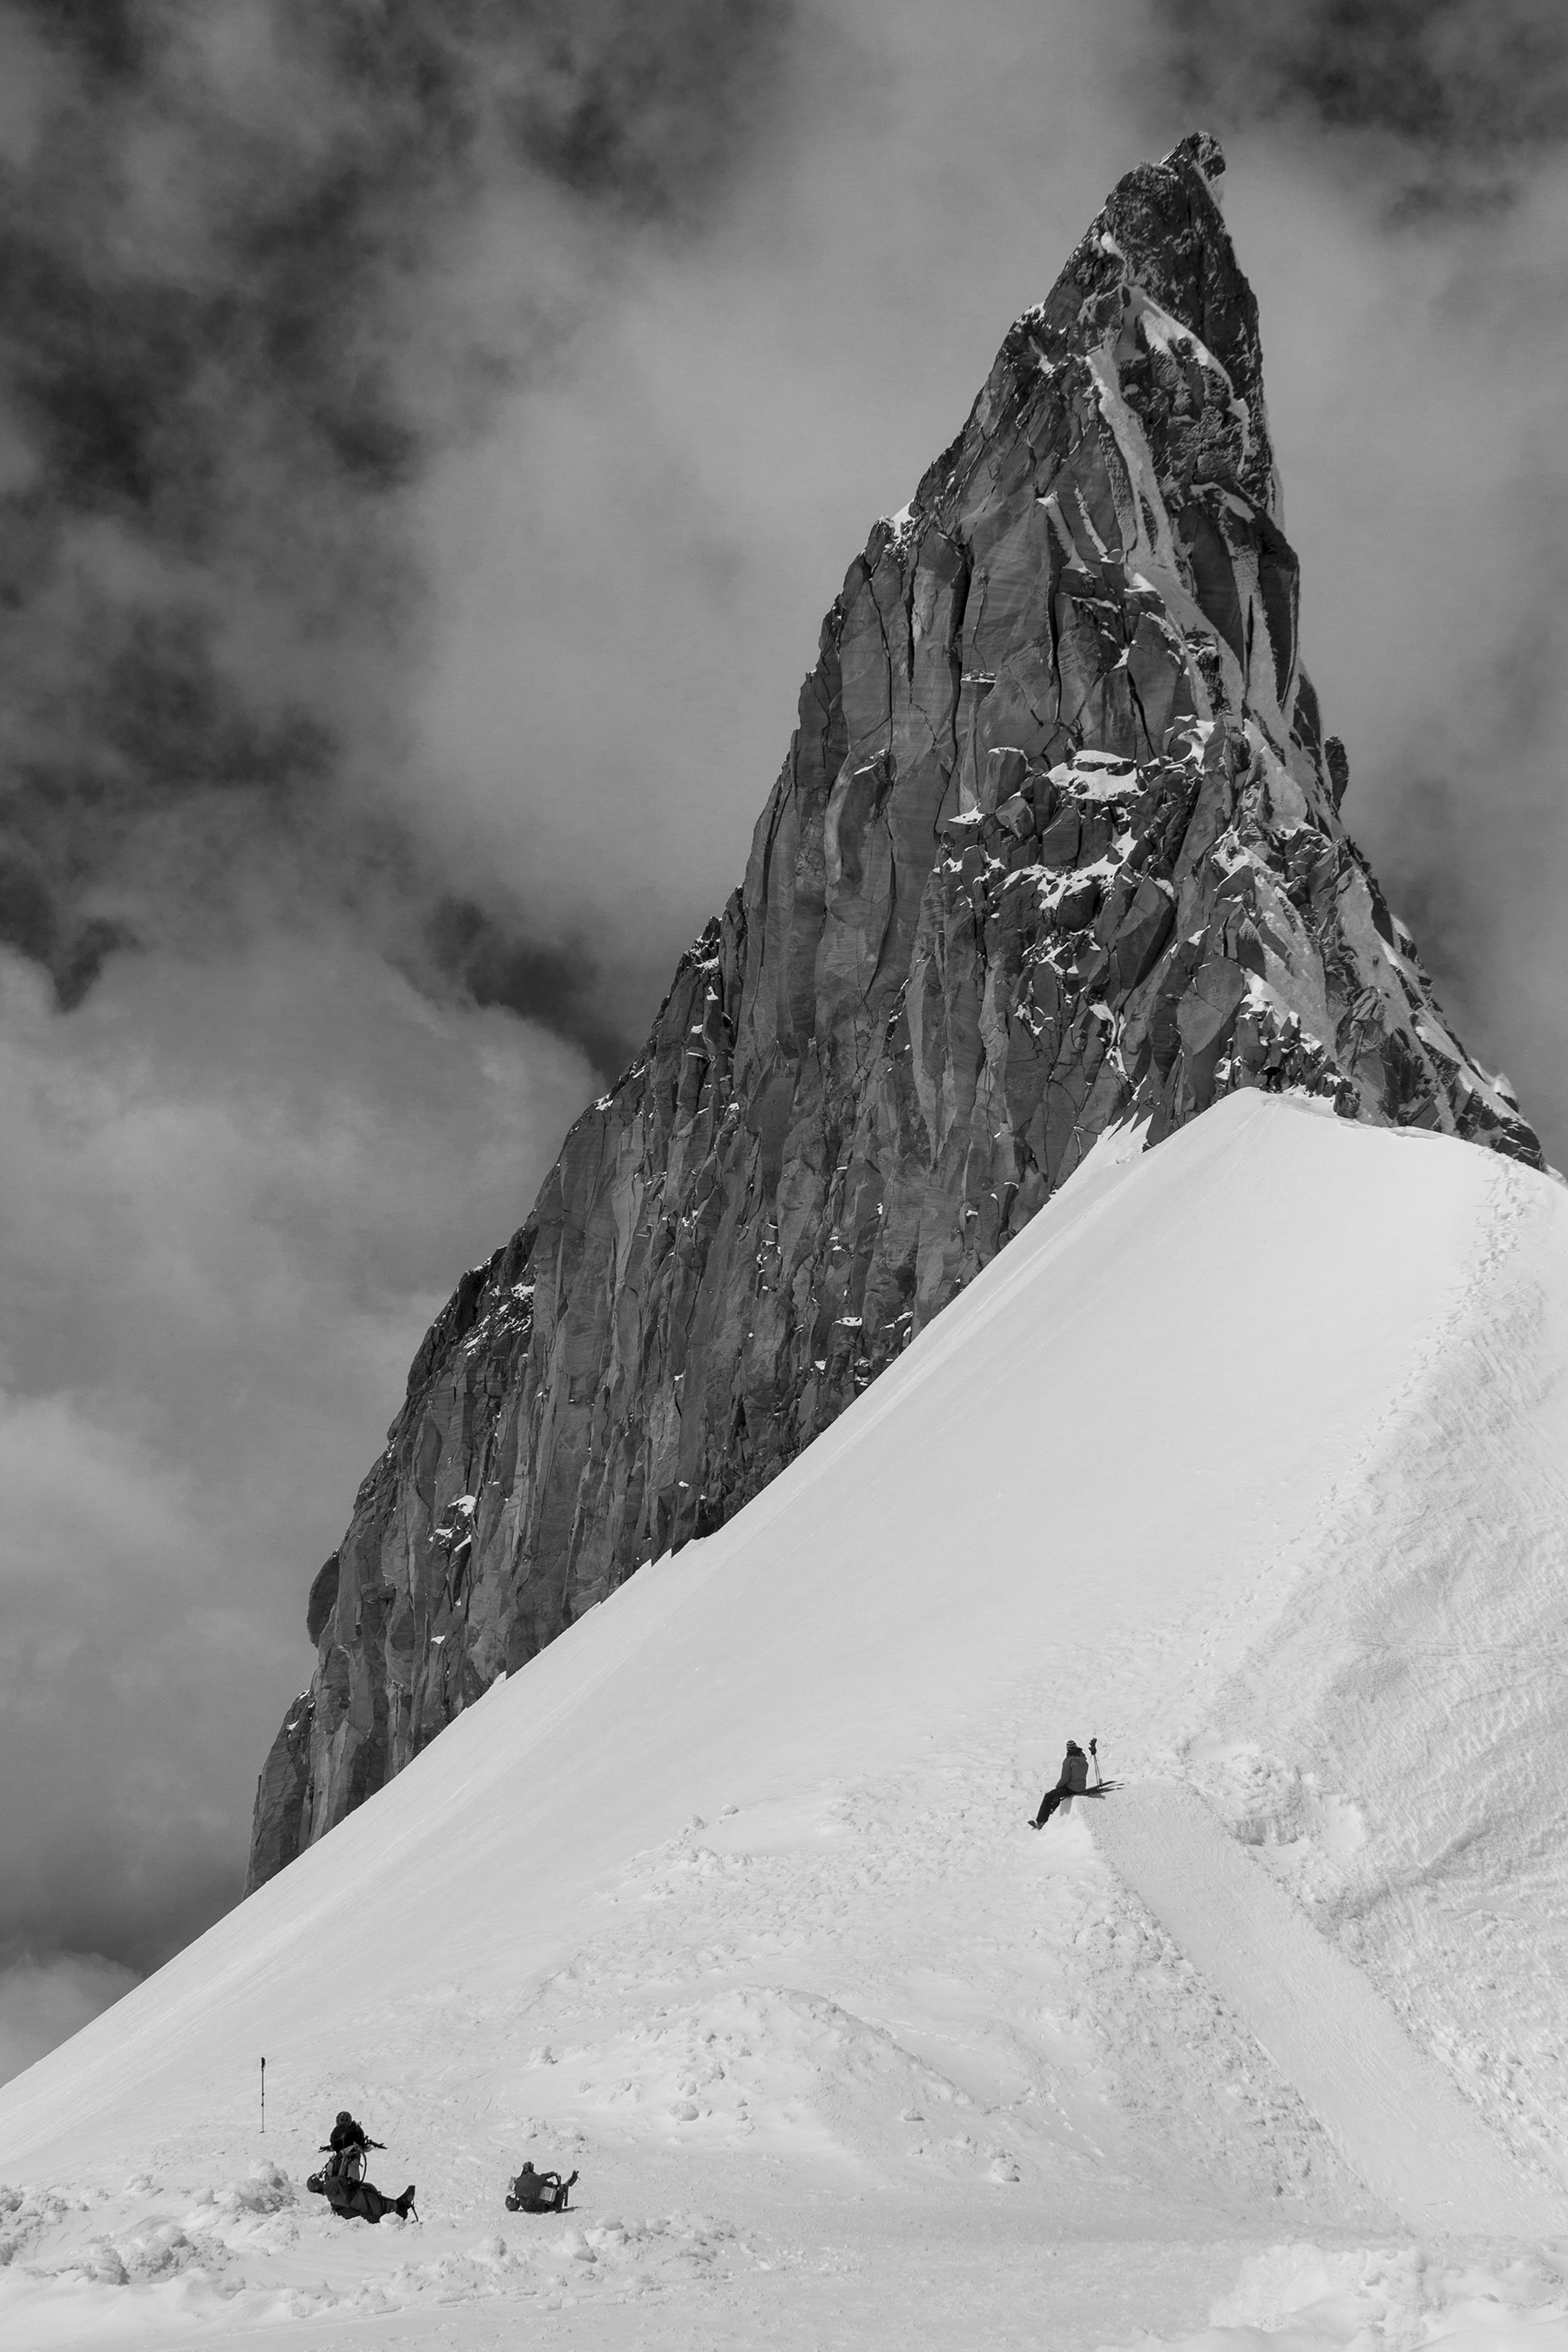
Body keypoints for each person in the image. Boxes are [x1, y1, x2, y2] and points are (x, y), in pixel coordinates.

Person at [1030, 1739, 1089, 1828]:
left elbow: (1065, 1778)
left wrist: (1058, 1786)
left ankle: (1040, 1822)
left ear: (1067, 1749)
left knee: (1049, 1796)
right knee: (1057, 1794)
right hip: (1081, 1787)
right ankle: (1052, 1810)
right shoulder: (1083, 1760)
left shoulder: (1068, 1761)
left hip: (1071, 1788)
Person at [505, 2160, 578, 2214]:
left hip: (529, 2206)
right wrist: (552, 2174)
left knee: (547, 2191)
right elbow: (541, 2179)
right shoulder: (531, 2178)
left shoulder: (519, 2183)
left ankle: (562, 2189)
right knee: (552, 2190)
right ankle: (563, 2189)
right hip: (541, 2205)